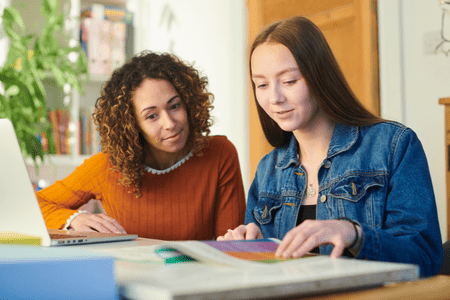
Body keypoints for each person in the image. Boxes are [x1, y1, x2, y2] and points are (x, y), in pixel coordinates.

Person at [217, 16, 443, 277]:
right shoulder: (269, 169)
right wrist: (249, 247)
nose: (274, 98)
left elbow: (425, 259)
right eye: (262, 85)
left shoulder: (393, 146)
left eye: (289, 81)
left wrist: (353, 234)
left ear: (319, 76)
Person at [37, 51, 246, 241]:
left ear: (189, 103)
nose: (170, 123)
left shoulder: (219, 153)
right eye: (152, 116)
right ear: (132, 124)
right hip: (130, 278)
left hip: (199, 278)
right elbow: (37, 204)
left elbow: (230, 245)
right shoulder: (107, 166)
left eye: (174, 106)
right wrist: (75, 219)